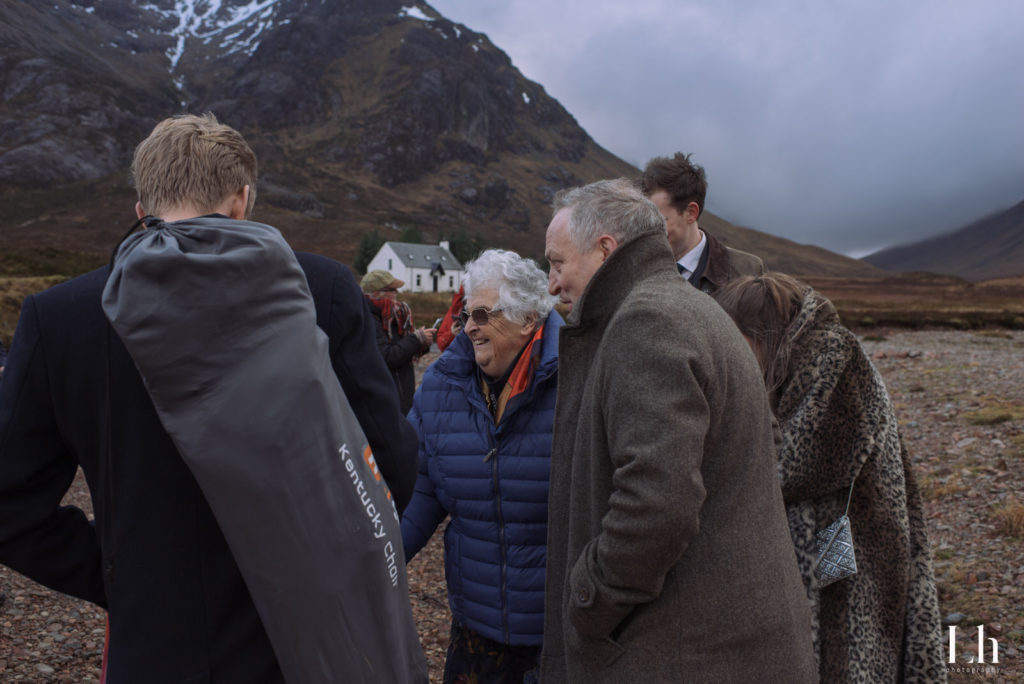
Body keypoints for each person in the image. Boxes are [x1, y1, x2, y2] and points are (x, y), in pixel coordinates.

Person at [0, 113, 419, 682]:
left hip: (155, 647)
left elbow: (9, 505)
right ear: (243, 200)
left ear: (140, 207)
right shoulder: (321, 289)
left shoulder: (60, 317)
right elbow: (389, 463)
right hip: (303, 639)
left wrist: (118, 572)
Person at [540, 178, 816, 682]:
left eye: (558, 264)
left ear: (605, 250)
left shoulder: (647, 321)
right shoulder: (688, 307)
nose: (552, 284)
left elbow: (657, 505)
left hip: (688, 651)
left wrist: (587, 597)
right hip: (725, 640)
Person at [713, 272, 946, 682]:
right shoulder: (801, 359)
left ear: (760, 335)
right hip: (840, 541)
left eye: (735, 342)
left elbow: (796, 468)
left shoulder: (832, 359)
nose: (728, 356)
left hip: (860, 543)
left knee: (851, 656)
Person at [401, 249, 562, 683]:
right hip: (475, 632)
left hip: (559, 637)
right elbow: (421, 487)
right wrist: (377, 559)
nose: (469, 326)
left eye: (482, 314)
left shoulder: (578, 380)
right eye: (466, 315)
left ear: (529, 318)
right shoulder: (442, 385)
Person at [640, 152, 765, 292]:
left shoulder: (746, 271)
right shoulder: (634, 264)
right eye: (645, 221)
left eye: (659, 221)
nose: (649, 232)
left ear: (691, 213)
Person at [361, 269, 435, 414]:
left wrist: (422, 343)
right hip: (385, 401)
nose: (397, 293)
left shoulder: (391, 316)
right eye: (393, 289)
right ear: (376, 293)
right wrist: (416, 339)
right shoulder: (369, 318)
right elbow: (387, 357)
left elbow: (401, 352)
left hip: (400, 396)